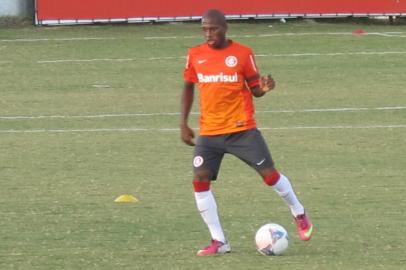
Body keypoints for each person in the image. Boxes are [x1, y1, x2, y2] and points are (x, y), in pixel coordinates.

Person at [180, 9, 313, 256]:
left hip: (242, 130)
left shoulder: (243, 54)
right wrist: (183, 123)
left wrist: (263, 88)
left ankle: (298, 211)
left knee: (270, 176)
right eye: (205, 29)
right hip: (209, 132)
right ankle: (219, 241)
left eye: (214, 29)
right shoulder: (195, 55)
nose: (209, 34)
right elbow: (188, 87)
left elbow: (255, 89)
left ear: (225, 27)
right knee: (200, 181)